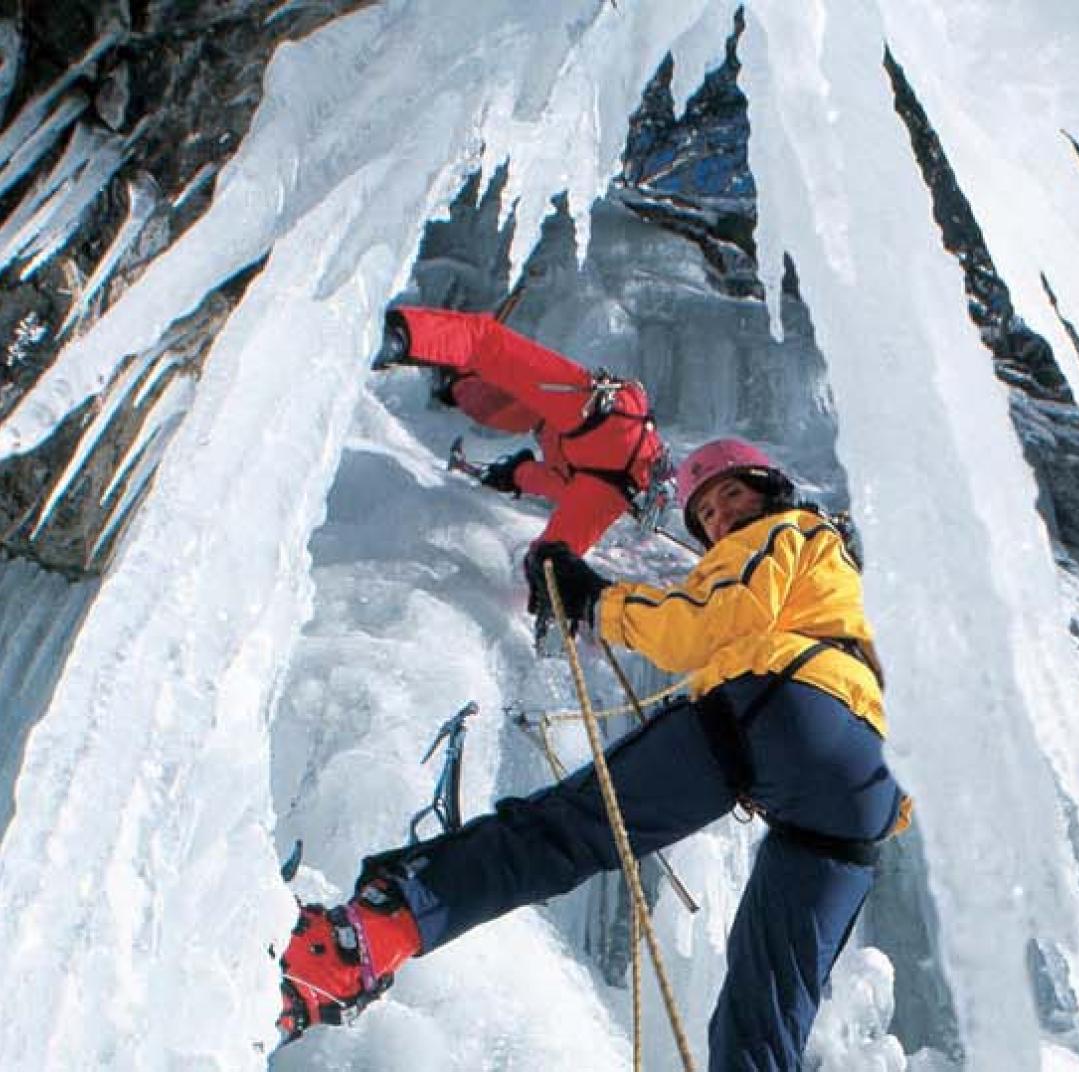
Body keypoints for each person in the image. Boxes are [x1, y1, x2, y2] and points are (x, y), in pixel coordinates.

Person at [276, 438, 909, 1070]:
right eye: (708, 514)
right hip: (864, 790)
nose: (723, 518)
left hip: (785, 706)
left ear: (769, 491)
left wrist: (595, 600)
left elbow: (710, 621)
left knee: (566, 829)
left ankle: (359, 942)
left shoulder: (783, 531)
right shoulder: (847, 586)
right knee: (768, 1006)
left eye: (733, 495)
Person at [372, 306, 672, 563]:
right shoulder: (590, 477)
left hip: (600, 425)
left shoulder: (577, 416)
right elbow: (549, 543)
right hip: (606, 448)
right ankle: (416, 347)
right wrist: (509, 475)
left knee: (494, 375)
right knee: (548, 566)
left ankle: (409, 343)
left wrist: (399, 337)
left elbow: (482, 341)